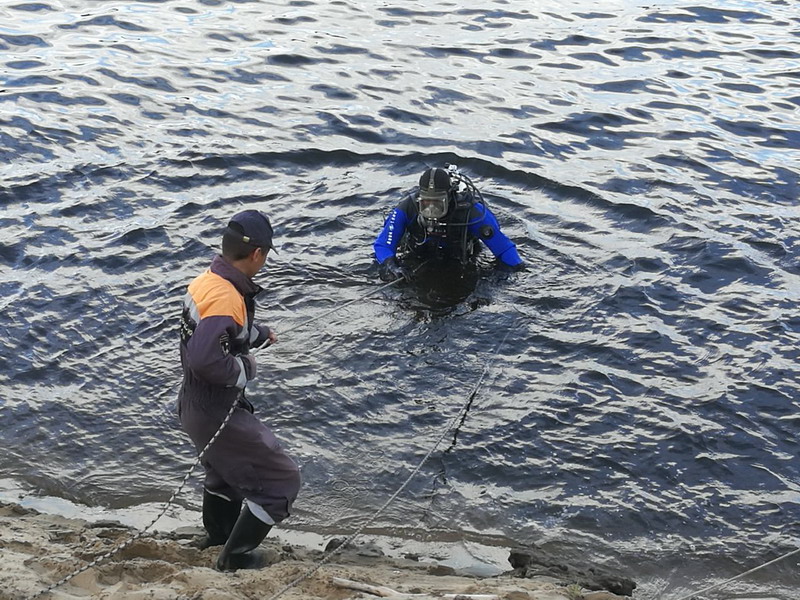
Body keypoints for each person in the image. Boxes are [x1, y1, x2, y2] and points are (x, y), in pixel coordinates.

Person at [177, 209, 301, 571]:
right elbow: (205, 360)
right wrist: (246, 367)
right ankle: (235, 557)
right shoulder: (228, 297)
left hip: (192, 404)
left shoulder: (208, 281)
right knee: (282, 481)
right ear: (257, 254)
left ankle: (216, 536)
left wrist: (256, 333)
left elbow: (219, 332)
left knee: (223, 473)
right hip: (214, 407)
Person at [374, 165, 524, 281]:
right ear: (420, 198)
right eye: (426, 203)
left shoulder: (471, 212)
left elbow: (504, 250)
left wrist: (513, 273)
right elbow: (383, 244)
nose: (431, 209)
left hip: (458, 255)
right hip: (419, 251)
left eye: (437, 203)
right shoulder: (408, 207)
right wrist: (391, 266)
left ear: (449, 197)